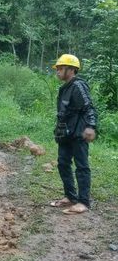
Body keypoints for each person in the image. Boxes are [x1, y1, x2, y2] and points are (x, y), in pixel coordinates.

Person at [49, 54, 97, 214]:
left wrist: (90, 126)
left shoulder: (78, 86)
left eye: (61, 68)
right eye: (57, 68)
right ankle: (70, 196)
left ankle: (83, 202)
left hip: (78, 132)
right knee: (63, 163)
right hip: (66, 133)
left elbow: (89, 107)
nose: (57, 71)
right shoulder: (66, 87)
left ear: (71, 69)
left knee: (81, 166)